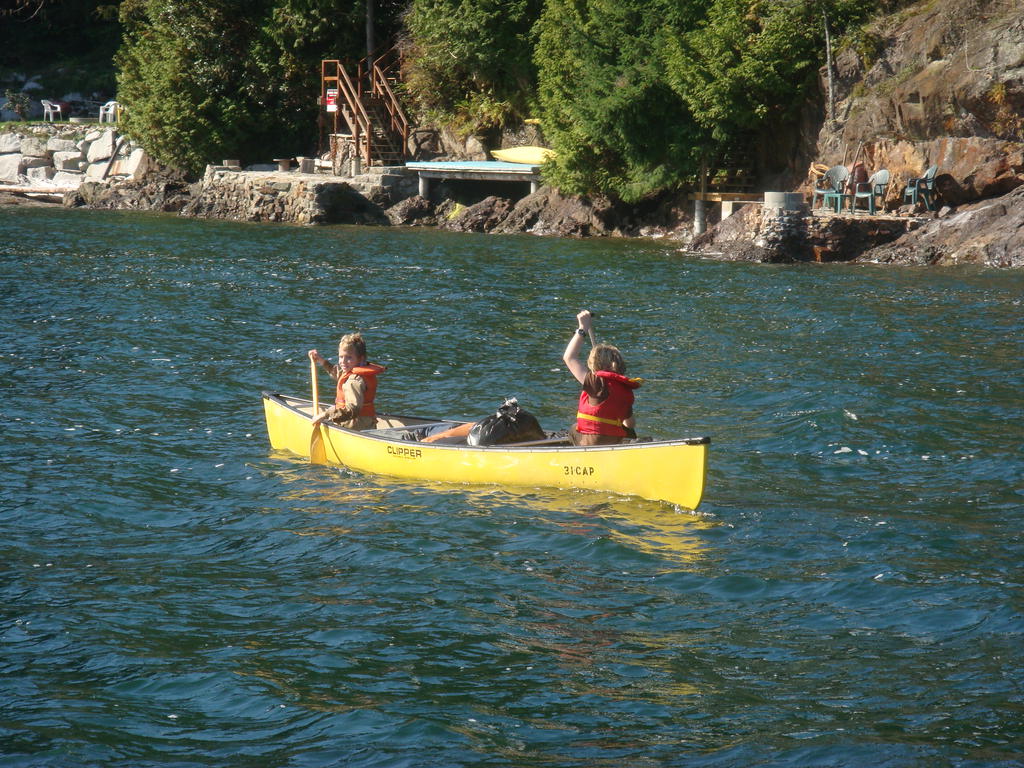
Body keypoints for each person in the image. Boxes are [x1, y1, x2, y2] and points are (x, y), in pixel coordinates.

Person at [562, 310, 641, 445]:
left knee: (573, 429)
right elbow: (630, 424)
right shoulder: (626, 389)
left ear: (594, 365)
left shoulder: (596, 382)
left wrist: (582, 328)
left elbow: (569, 358)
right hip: (614, 441)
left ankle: (580, 454)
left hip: (593, 442)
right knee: (629, 431)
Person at [308, 333, 385, 430]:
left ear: (360, 358)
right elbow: (339, 374)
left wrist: (325, 414)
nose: (343, 361)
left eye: (349, 357)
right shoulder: (354, 373)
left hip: (353, 426)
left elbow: (352, 409)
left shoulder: (353, 381)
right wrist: (321, 360)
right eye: (341, 357)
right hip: (366, 423)